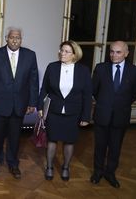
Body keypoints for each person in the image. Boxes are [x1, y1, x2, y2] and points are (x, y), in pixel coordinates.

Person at [0, 26, 39, 179]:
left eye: (18, 37)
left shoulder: (30, 55)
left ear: (21, 39)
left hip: (20, 104)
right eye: (12, 37)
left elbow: (33, 82)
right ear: (6, 38)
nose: (15, 40)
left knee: (15, 136)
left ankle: (13, 164)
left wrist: (32, 102)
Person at [38, 40, 91, 181]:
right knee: (52, 140)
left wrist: (86, 116)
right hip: (54, 111)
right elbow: (44, 89)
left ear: (74, 54)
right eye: (61, 50)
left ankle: (66, 167)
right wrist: (40, 107)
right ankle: (49, 167)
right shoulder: (52, 67)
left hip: (73, 113)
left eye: (67, 51)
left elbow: (87, 95)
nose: (62, 53)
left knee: (69, 141)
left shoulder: (83, 71)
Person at [90, 41, 136, 188]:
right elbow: (94, 90)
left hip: (121, 116)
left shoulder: (135, 71)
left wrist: (119, 105)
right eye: (112, 51)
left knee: (115, 147)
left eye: (118, 52)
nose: (114, 55)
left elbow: (134, 94)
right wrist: (106, 104)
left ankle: (110, 173)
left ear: (126, 53)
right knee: (100, 146)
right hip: (102, 114)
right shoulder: (100, 69)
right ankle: (98, 172)